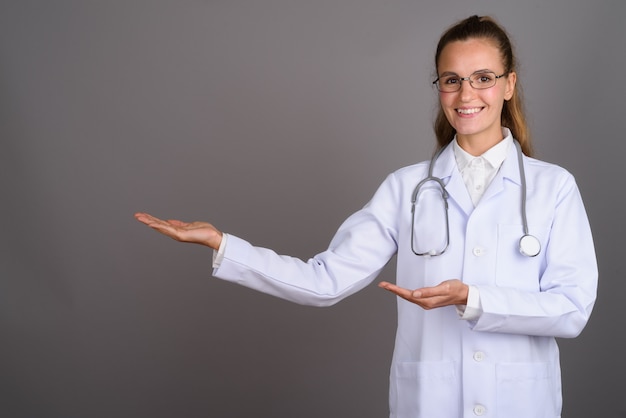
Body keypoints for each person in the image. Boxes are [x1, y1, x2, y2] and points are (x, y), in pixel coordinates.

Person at [135, 15, 597, 418]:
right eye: (451, 80)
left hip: (520, 405)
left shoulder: (553, 187)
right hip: (428, 405)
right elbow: (324, 281)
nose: (465, 94)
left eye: (483, 78)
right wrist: (222, 244)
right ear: (439, 87)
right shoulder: (405, 189)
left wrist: (473, 299)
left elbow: (572, 309)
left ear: (509, 84)